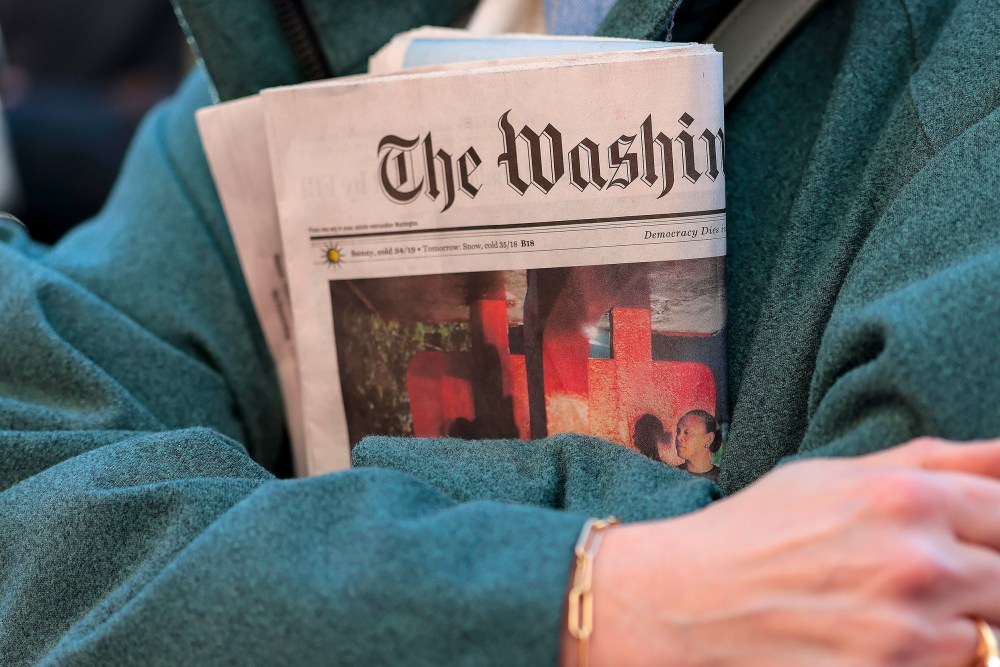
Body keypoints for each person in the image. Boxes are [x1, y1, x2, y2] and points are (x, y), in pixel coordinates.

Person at [0, 0, 997, 665]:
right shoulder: (299, 41)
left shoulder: (957, 71)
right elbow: (37, 504)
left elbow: (900, 595)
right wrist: (598, 592)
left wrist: (258, 550)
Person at [675, 409, 722, 481]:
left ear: (709, 439)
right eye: (678, 431)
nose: (678, 437)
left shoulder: (724, 479)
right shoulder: (669, 476)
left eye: (687, 432)